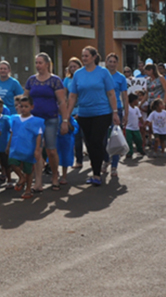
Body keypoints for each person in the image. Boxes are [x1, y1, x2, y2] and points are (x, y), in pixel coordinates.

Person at [65, 47, 120, 186]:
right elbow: (72, 96)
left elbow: (111, 93)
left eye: (87, 56)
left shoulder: (103, 72)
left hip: (102, 113)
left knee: (96, 141)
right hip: (84, 114)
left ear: (94, 57)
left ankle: (96, 174)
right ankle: (98, 164)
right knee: (89, 144)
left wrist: (115, 112)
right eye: (82, 56)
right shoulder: (78, 74)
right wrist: (66, 116)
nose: (84, 58)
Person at [25, 53, 70, 192]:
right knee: (37, 150)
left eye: (40, 63)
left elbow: (62, 101)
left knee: (51, 149)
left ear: (47, 64)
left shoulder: (55, 80)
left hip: (51, 118)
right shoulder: (31, 80)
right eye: (36, 63)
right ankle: (38, 182)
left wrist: (65, 120)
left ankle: (55, 175)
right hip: (35, 120)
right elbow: (25, 98)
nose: (38, 65)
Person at [8, 95, 45, 199]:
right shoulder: (14, 119)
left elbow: (39, 136)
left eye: (26, 106)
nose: (23, 109)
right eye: (22, 106)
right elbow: (12, 133)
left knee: (28, 170)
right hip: (16, 149)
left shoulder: (37, 121)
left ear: (32, 107)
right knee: (12, 163)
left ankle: (28, 190)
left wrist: (37, 150)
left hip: (29, 150)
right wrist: (8, 146)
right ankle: (21, 177)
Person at [123, 93, 144, 159]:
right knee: (128, 141)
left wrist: (143, 123)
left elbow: (140, 117)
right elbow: (124, 116)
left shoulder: (136, 109)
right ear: (133, 100)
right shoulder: (127, 108)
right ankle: (129, 152)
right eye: (137, 100)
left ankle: (140, 150)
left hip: (136, 128)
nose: (138, 101)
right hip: (128, 128)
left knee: (139, 140)